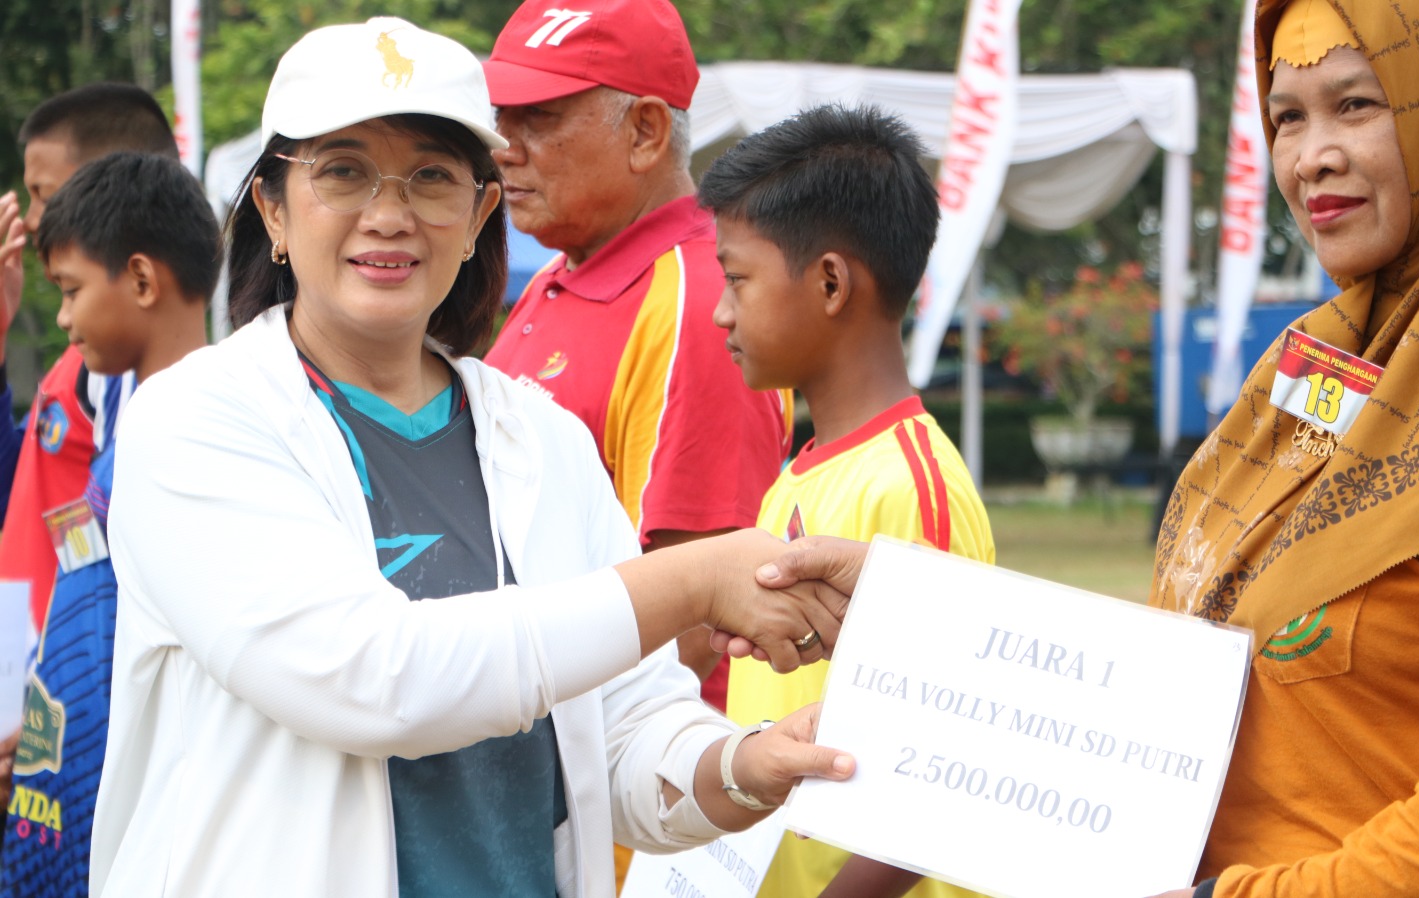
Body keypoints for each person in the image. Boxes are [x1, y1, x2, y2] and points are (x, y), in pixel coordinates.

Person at [86, 19, 852, 898]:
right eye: (342, 171)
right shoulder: (195, 421)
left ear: (480, 213)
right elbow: (374, 679)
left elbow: (625, 730)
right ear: (271, 208)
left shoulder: (543, 437)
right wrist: (688, 582)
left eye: (433, 178)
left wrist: (741, 764)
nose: (389, 213)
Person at [1136, 0, 1419, 894]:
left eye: (1358, 104)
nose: (1313, 157)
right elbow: (1179, 662)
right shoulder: (1303, 372)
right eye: (1288, 118)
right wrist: (910, 613)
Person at [700, 105, 996, 898]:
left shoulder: (912, 486)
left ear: (830, 282)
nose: (722, 311)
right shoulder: (800, 471)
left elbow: (947, 766)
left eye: (737, 279)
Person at [481, 0, 792, 710]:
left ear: (646, 132)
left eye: (541, 117)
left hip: (622, 778)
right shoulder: (562, 277)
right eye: (503, 116)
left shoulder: (699, 302)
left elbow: (695, 607)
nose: (504, 146)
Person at [2, 151, 216, 898]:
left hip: (139, 824)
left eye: (68, 291)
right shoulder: (130, 425)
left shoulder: (202, 446)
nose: (60, 318)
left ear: (142, 280)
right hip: (69, 788)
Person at [0, 80, 178, 843]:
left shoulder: (163, 384)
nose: (31, 218)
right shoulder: (80, 365)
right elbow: (30, 503)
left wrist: (43, 713)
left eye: (43, 193)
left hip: (74, 730)